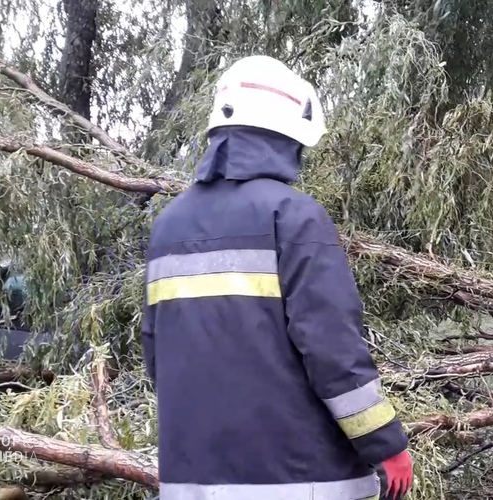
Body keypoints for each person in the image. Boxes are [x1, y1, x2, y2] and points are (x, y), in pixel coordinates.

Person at [140, 55, 413, 500]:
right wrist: (387, 444)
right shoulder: (294, 216)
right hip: (301, 480)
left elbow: (157, 353)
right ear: (287, 138)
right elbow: (331, 349)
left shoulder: (168, 226)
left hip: (189, 482)